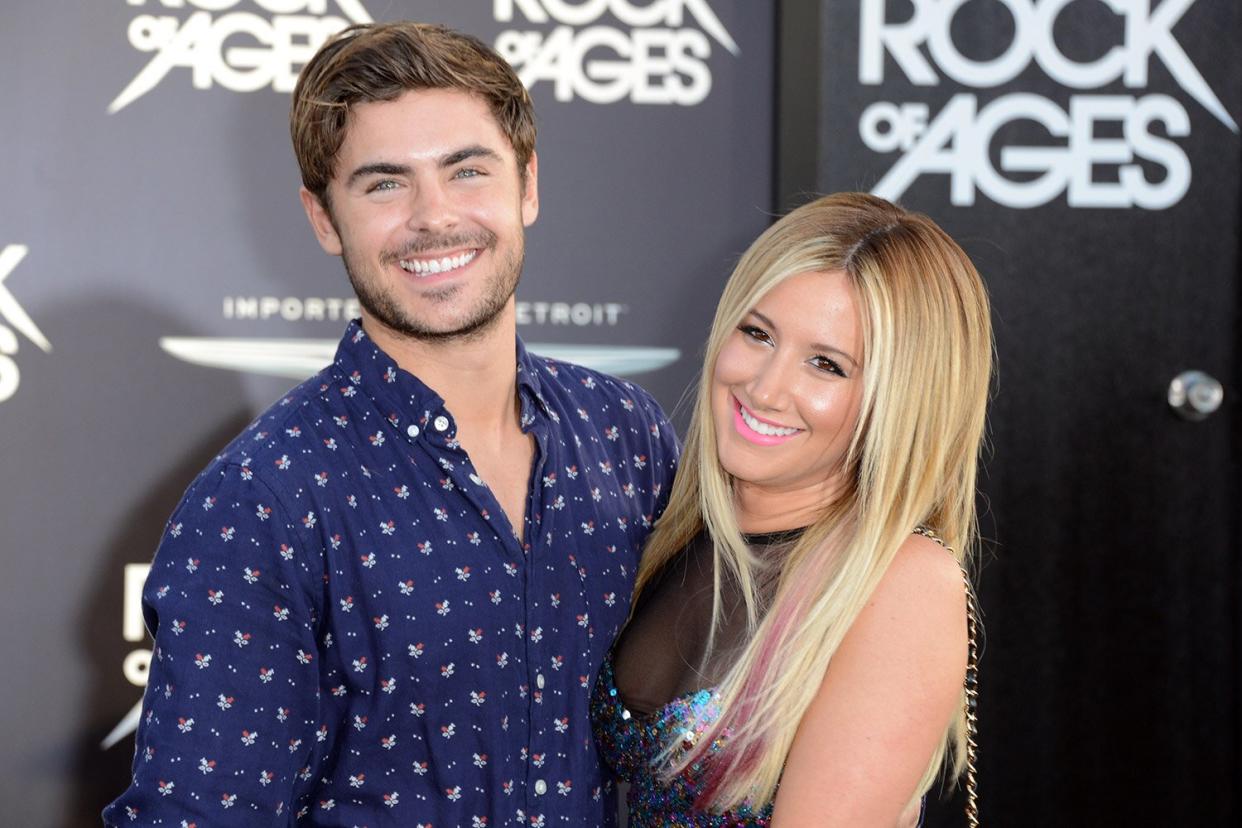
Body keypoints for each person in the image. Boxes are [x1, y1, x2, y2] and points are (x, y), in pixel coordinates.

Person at [104, 21, 678, 827]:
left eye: (467, 170)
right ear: (323, 219)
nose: (434, 217)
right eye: (384, 185)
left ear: (529, 185)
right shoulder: (261, 502)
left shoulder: (626, 435)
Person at [591, 192, 991, 826]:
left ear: (898, 400)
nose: (766, 387)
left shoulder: (901, 582)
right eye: (757, 334)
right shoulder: (672, 536)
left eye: (826, 365)